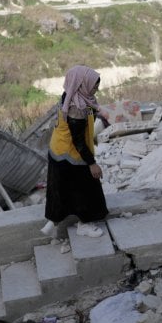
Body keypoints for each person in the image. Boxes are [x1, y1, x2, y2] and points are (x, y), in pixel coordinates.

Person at [43, 65, 109, 247]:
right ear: (82, 84)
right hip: (70, 155)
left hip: (59, 150)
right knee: (87, 188)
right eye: (94, 85)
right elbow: (79, 141)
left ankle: (55, 220)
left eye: (96, 85)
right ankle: (85, 224)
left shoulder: (72, 95)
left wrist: (98, 114)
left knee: (63, 188)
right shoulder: (76, 109)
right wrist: (92, 164)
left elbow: (86, 119)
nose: (96, 89)